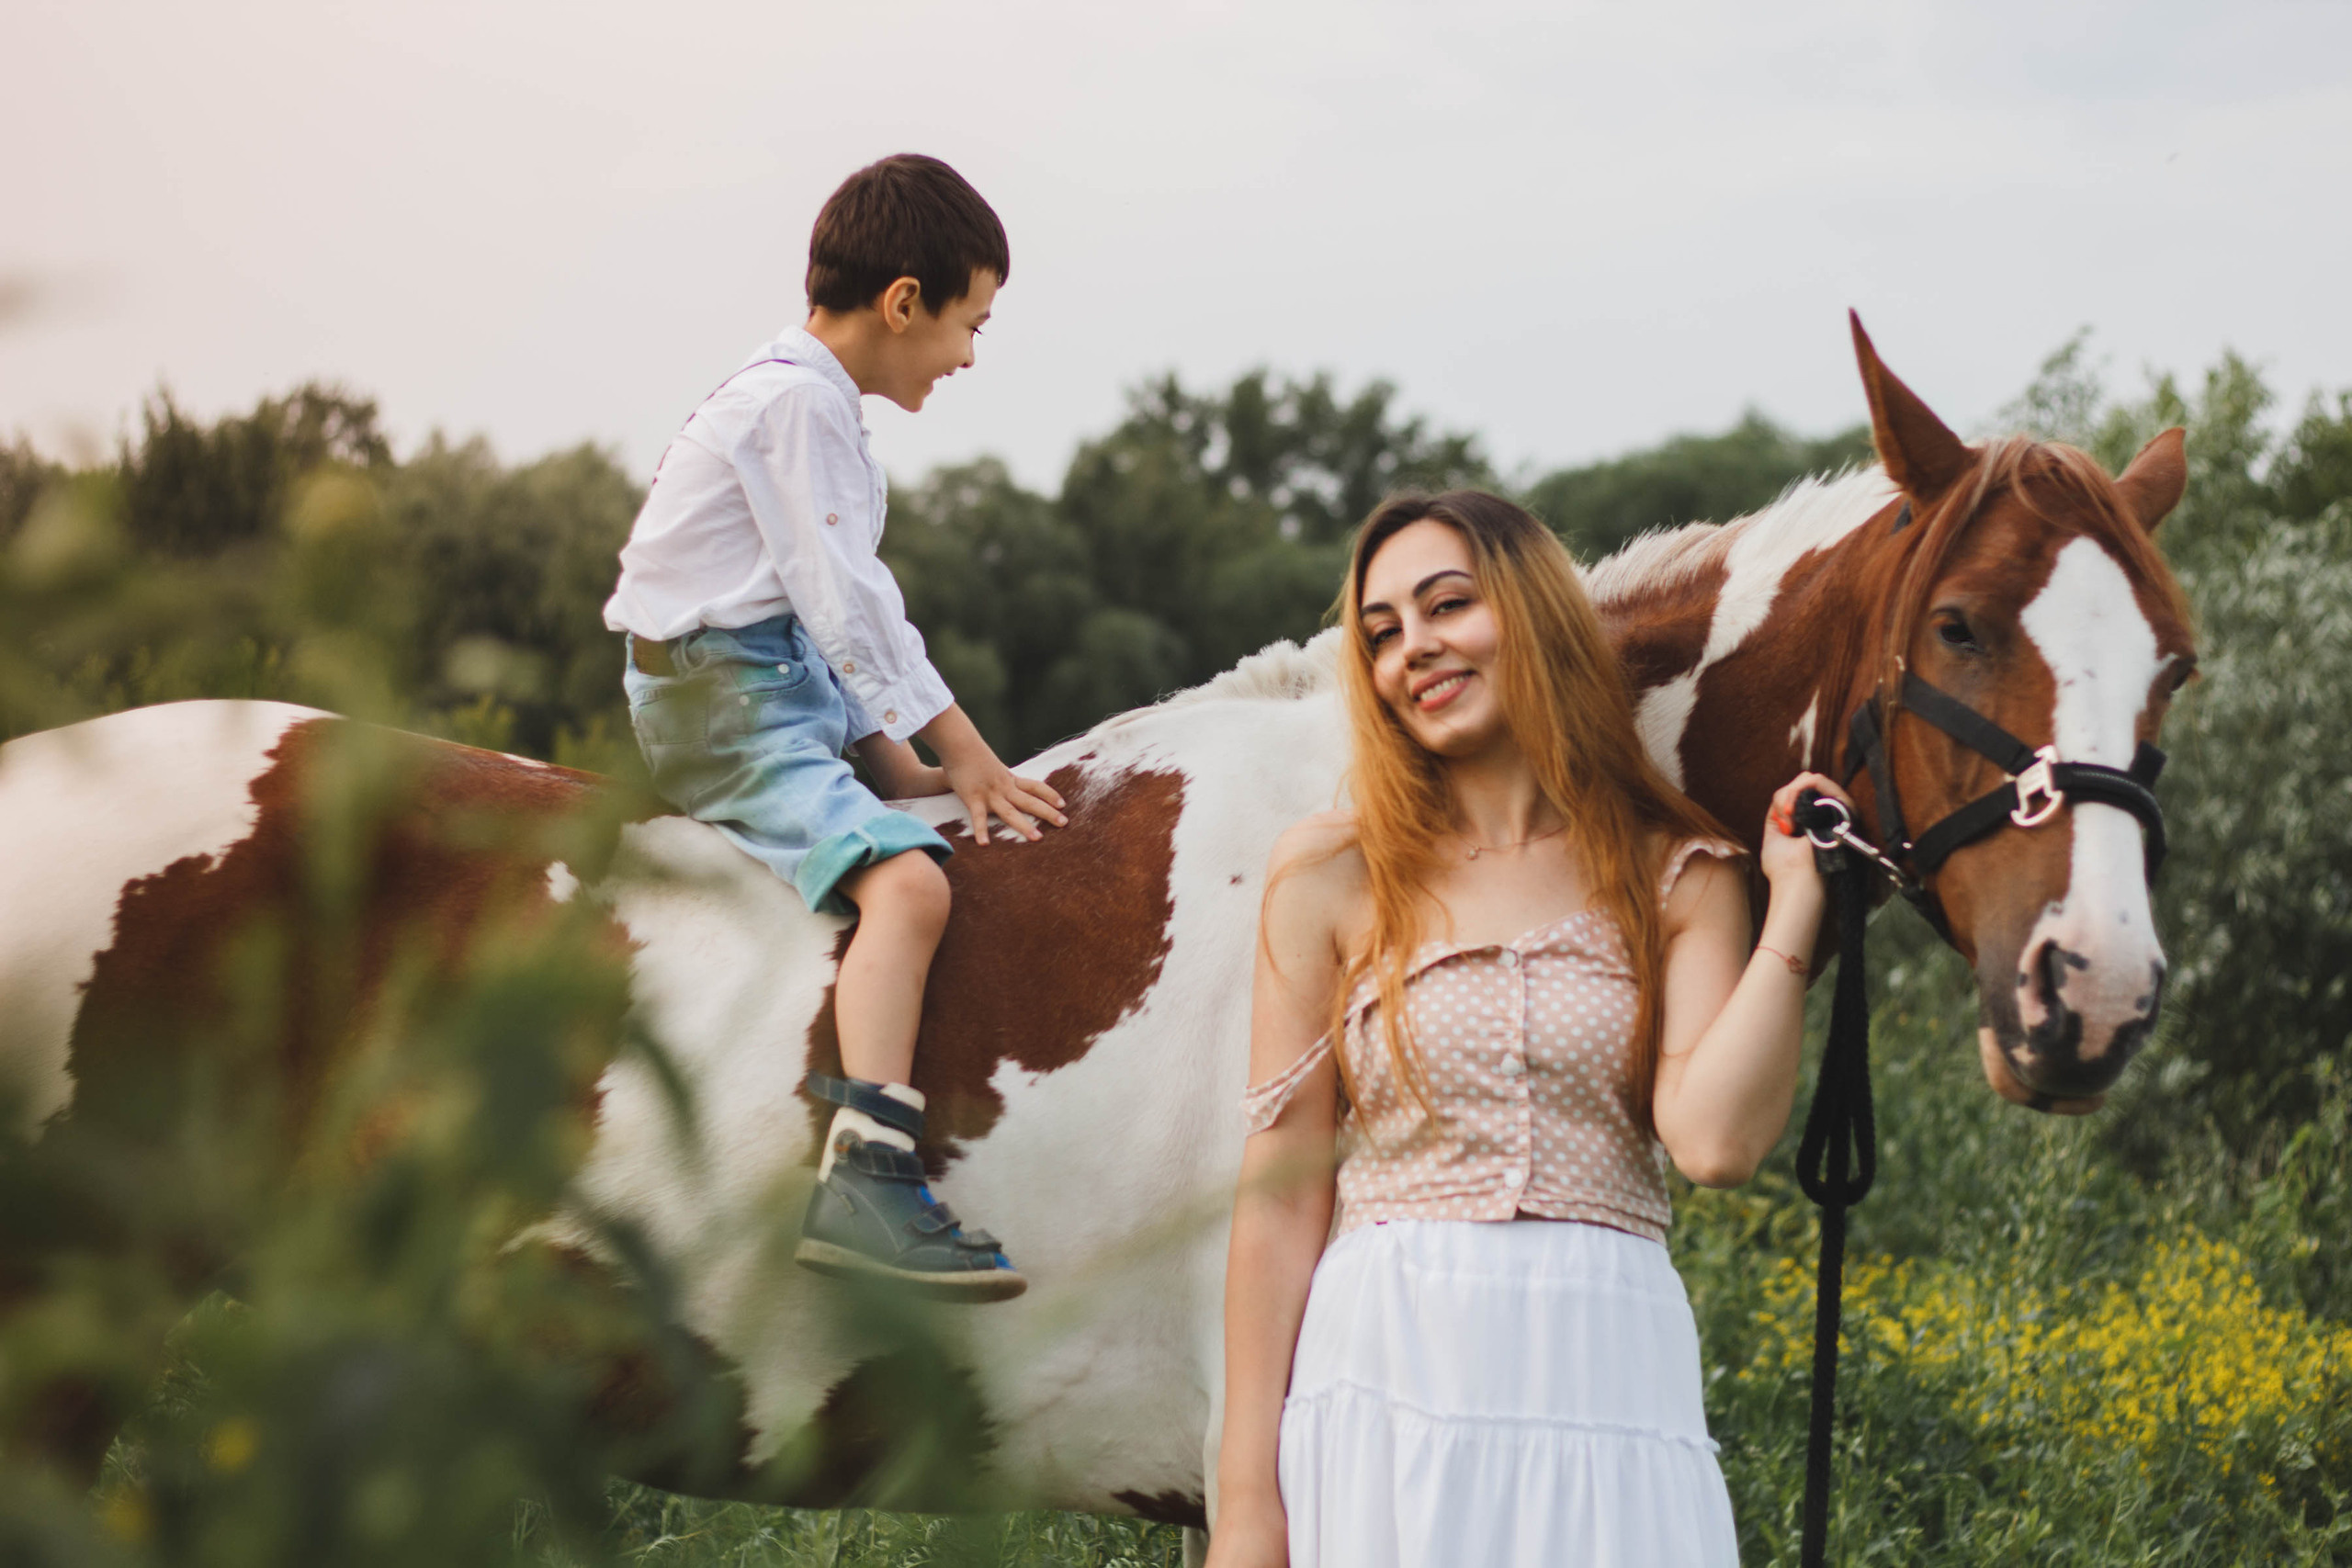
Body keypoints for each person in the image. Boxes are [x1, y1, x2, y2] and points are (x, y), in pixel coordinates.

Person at [1206, 491, 1849, 1564]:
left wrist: (1795, 904)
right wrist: (1244, 1503)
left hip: (1605, 1369)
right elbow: (1278, 1198)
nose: (1413, 647)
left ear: (1533, 613)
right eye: (1381, 632)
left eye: (1446, 605)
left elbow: (1715, 1143)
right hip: (1386, 1372)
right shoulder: (1332, 874)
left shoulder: (1677, 879)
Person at [602, 154, 1066, 1303]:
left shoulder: (815, 403)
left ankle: (882, 782)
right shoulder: (798, 404)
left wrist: (895, 755)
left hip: (778, 674)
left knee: (909, 805)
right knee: (910, 888)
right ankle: (865, 1178)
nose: (968, 355)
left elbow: (821, 612)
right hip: (725, 700)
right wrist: (956, 744)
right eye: (969, 324)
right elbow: (845, 600)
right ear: (903, 301)